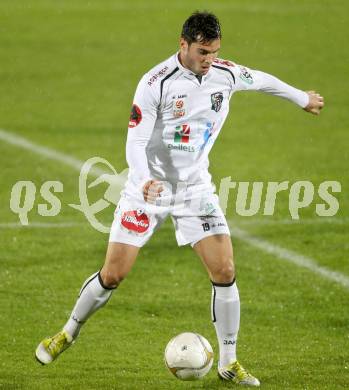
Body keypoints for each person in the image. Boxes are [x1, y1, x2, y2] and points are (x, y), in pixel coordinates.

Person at [35, 11, 324, 386]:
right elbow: (135, 141)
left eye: (214, 51)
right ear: (183, 44)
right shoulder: (155, 82)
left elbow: (262, 80)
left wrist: (301, 98)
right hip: (147, 190)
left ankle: (229, 362)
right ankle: (67, 333)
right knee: (113, 274)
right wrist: (144, 180)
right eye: (203, 51)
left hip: (194, 190)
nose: (209, 59)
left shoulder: (225, 73)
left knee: (225, 271)